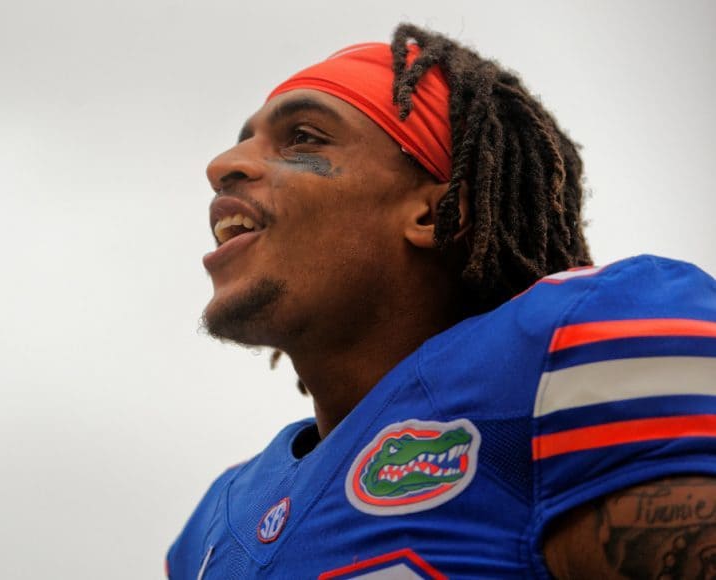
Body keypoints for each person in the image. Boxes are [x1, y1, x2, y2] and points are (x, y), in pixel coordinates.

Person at [167, 23, 716, 579]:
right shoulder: (215, 523)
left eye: (304, 137)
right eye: (244, 136)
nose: (223, 164)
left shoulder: (569, 349)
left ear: (432, 214)